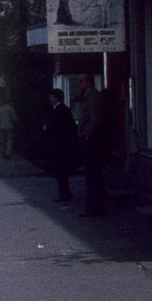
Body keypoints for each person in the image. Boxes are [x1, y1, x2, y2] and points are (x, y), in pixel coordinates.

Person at [76, 74, 106, 216]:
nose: (80, 84)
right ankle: (94, 208)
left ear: (89, 82)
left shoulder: (92, 96)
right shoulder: (88, 95)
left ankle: (94, 209)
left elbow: (95, 118)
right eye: (79, 81)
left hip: (92, 141)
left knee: (93, 174)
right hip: (91, 139)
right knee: (93, 174)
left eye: (82, 81)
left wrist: (87, 134)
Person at [43, 88, 79, 203]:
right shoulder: (59, 109)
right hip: (59, 144)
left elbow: (57, 126)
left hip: (60, 145)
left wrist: (47, 127)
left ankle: (65, 194)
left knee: (61, 171)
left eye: (51, 97)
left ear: (56, 98)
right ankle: (63, 193)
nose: (49, 99)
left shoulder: (61, 110)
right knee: (60, 171)